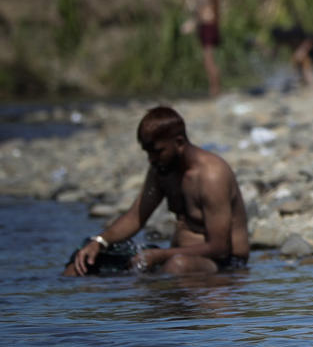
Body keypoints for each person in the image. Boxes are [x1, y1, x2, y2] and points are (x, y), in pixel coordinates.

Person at [63, 105, 250, 276]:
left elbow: (220, 247)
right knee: (80, 266)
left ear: (178, 142)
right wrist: (99, 242)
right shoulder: (162, 170)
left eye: (157, 151)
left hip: (226, 264)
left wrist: (160, 255)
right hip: (175, 257)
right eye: (147, 152)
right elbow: (136, 217)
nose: (151, 159)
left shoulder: (211, 176)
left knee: (176, 266)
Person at [186, 0, 221, 97]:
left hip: (209, 24)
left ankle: (215, 89)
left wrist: (215, 23)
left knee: (209, 59)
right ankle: (213, 88)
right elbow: (197, 10)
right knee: (207, 60)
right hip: (202, 25)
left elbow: (216, 8)